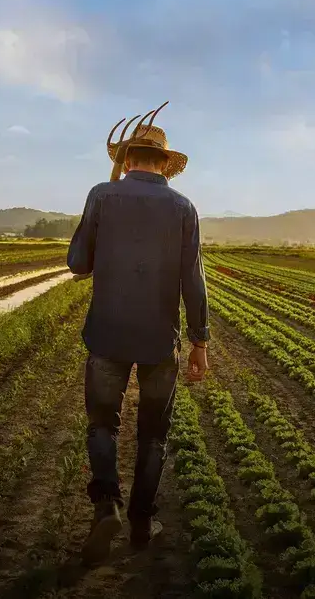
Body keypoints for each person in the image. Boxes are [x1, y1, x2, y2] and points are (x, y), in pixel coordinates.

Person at [67, 103, 209, 566]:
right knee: (153, 436)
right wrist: (200, 343)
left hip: (106, 335)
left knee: (102, 424)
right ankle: (143, 523)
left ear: (126, 160)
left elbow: (77, 264)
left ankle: (105, 504)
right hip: (158, 341)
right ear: (165, 165)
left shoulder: (102, 195)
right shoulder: (184, 207)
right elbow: (193, 281)